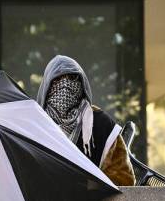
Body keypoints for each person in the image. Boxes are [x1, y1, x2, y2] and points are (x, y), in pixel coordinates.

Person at [36, 55, 135, 186]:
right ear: (47, 86)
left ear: (82, 84)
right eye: (57, 79)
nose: (65, 85)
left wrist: (88, 186)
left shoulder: (101, 125)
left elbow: (124, 180)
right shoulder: (36, 126)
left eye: (72, 78)